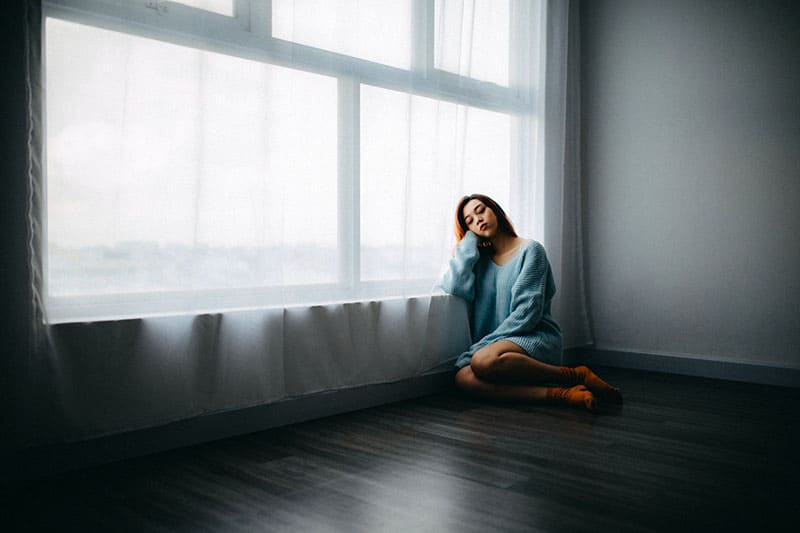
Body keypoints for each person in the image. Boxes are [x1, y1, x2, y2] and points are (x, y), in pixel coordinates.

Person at [439, 194, 622, 411]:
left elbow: (528, 313)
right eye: (469, 221)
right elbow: (455, 284)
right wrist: (469, 240)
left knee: (480, 361)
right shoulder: (480, 263)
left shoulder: (531, 250)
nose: (478, 219)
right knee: (463, 378)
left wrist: (480, 348)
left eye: (480, 210)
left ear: (495, 210)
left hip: (533, 337)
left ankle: (573, 374)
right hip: (496, 352)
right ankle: (559, 395)